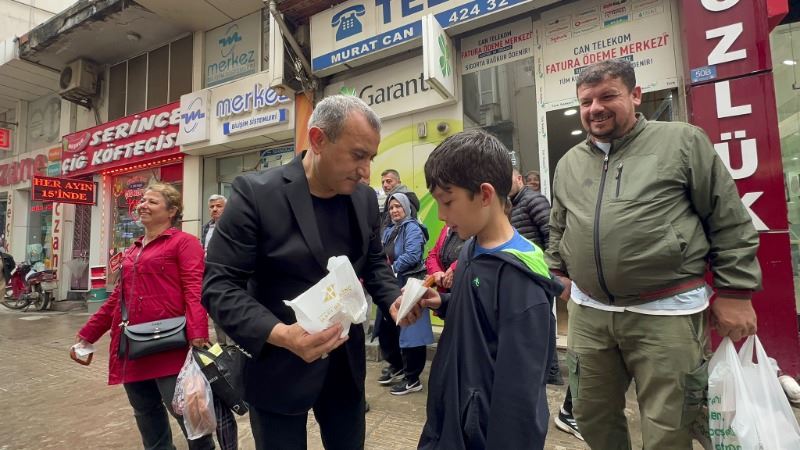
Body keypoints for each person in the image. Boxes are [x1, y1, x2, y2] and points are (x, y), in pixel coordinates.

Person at [546, 58, 761, 449]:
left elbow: (727, 219)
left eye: (607, 96)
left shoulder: (682, 142)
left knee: (669, 428)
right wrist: (557, 271)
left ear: (635, 95)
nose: (595, 108)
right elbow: (559, 225)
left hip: (667, 312)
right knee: (591, 415)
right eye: (586, 101)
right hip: (590, 314)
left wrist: (735, 291)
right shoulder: (569, 163)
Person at [202, 95, 401, 449]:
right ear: (318, 139)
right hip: (278, 365)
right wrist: (281, 334)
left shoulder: (364, 199)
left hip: (344, 367)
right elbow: (219, 286)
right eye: (357, 155)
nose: (366, 172)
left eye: (370, 158)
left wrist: (394, 299)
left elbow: (373, 262)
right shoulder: (256, 195)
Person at [396, 129, 562, 449]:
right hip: (452, 412)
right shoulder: (472, 248)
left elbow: (521, 400)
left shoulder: (521, 279)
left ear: (485, 195)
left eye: (447, 202)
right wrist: (442, 301)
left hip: (481, 431)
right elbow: (480, 314)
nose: (441, 215)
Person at [72, 183, 214, 450]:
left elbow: (195, 289)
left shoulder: (185, 243)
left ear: (172, 211)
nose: (142, 205)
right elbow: (118, 298)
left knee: (189, 415)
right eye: (142, 201)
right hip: (133, 346)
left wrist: (198, 334)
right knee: (145, 413)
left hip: (171, 345)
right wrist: (88, 335)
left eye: (152, 202)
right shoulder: (134, 249)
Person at [381, 192, 432, 395]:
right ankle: (399, 367)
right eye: (391, 207)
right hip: (394, 283)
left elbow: (412, 254)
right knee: (390, 328)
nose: (394, 210)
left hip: (410, 283)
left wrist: (391, 269)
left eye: (398, 206)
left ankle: (413, 379)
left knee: (412, 330)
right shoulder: (390, 230)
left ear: (407, 207)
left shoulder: (412, 228)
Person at [425, 225, 467, 293]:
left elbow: (476, 252)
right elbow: (433, 254)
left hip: (465, 290)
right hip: (444, 291)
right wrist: (436, 271)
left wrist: (454, 268)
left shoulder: (477, 232)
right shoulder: (447, 228)